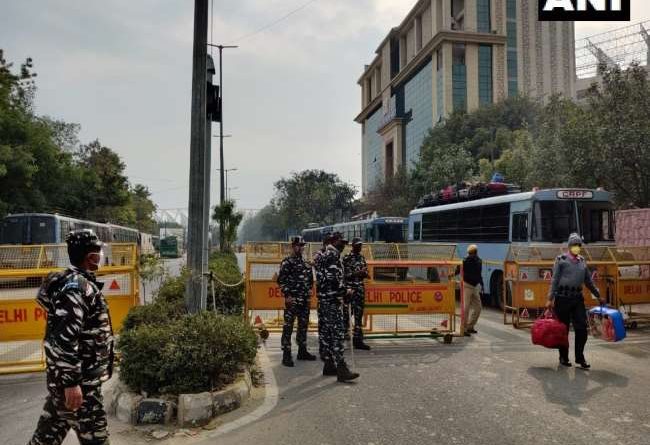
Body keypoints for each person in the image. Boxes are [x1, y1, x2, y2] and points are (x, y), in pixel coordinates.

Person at [29, 229, 114, 445]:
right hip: (80, 387)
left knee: (44, 440)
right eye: (98, 252)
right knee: (96, 440)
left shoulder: (75, 283)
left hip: (69, 384)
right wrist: (71, 383)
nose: (101, 256)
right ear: (91, 257)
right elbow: (64, 339)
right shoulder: (76, 289)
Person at [546, 233, 606, 369]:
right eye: (574, 245)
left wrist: (598, 296)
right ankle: (563, 357)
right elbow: (554, 280)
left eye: (579, 245)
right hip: (562, 298)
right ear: (569, 246)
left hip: (577, 299)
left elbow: (589, 282)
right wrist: (550, 299)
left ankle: (580, 357)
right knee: (563, 330)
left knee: (582, 329)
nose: (576, 247)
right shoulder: (561, 260)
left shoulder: (582, 261)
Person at [314, 232, 359, 382]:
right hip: (332, 301)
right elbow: (333, 279)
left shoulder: (322, 255)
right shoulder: (333, 256)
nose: (344, 245)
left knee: (326, 334)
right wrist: (346, 292)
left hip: (323, 300)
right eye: (341, 242)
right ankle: (342, 369)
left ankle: (329, 365)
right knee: (338, 335)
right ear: (334, 241)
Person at [277, 236, 316, 367]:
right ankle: (286, 354)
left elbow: (310, 280)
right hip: (292, 299)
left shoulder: (306, 263)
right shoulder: (287, 262)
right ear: (293, 246)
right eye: (299, 245)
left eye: (302, 246)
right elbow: (281, 281)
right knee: (288, 326)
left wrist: (309, 291)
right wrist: (287, 295)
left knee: (303, 326)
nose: (301, 248)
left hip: (304, 300)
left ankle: (302, 351)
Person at [343, 237, 371, 350]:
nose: (359, 247)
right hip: (350, 291)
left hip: (359, 290)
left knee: (359, 317)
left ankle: (358, 341)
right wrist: (358, 273)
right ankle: (343, 340)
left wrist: (365, 274)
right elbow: (345, 275)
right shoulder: (346, 258)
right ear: (353, 246)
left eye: (360, 245)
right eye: (358, 245)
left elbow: (365, 271)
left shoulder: (361, 257)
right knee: (346, 316)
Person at [461, 244, 484, 336]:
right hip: (467, 285)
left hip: (475, 286)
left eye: (471, 253)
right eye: (470, 253)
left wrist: (482, 284)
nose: (470, 255)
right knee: (466, 308)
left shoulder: (478, 261)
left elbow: (479, 274)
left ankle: (470, 326)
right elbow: (459, 269)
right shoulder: (465, 261)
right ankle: (464, 328)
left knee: (478, 307)